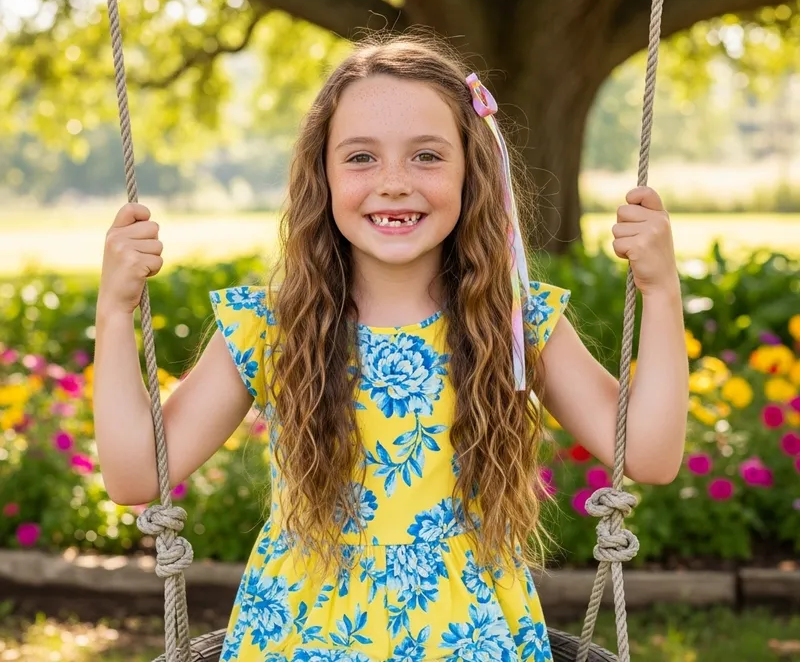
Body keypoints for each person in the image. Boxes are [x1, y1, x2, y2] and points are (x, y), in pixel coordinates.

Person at [93, 35, 689, 661]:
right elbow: (136, 474)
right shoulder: (272, 324)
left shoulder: (513, 321)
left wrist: (661, 291)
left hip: (467, 639)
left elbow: (647, 455)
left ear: (472, 171)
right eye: (361, 158)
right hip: (304, 635)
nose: (395, 183)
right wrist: (114, 312)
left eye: (428, 156)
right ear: (321, 174)